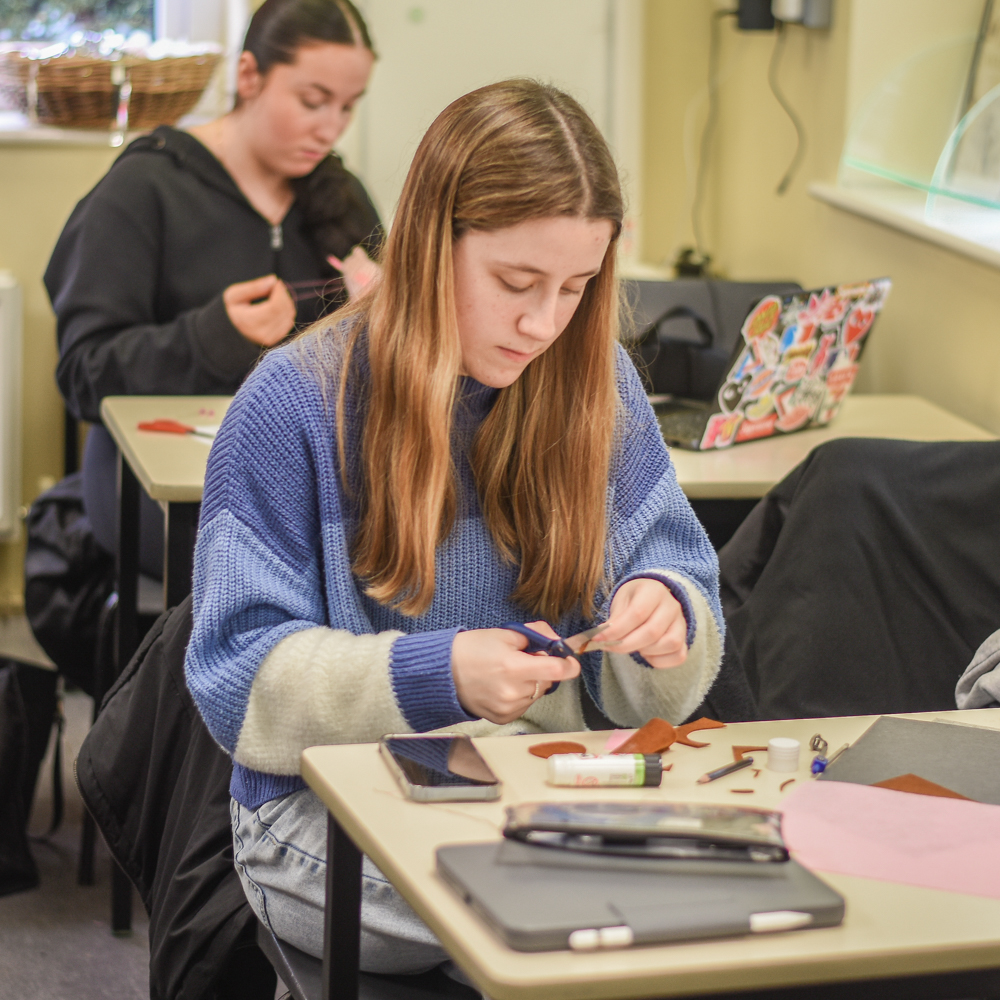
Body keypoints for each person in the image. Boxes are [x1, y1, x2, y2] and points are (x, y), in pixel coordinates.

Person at [185, 79, 724, 973]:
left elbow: (678, 608)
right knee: (583, 920)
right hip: (317, 816)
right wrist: (437, 677)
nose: (543, 323)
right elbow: (238, 686)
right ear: (434, 244)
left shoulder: (600, 388)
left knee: (700, 899)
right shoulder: (291, 407)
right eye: (516, 282)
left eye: (575, 289)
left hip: (533, 786)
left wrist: (668, 614)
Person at [44, 0, 381, 579]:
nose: (329, 128)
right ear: (248, 75)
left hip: (309, 470)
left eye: (348, 107)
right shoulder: (143, 189)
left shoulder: (340, 196)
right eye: (311, 100)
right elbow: (82, 374)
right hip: (158, 485)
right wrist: (211, 338)